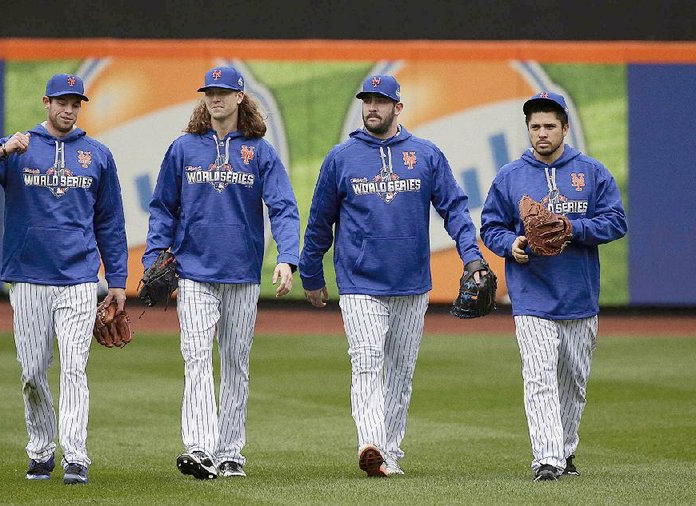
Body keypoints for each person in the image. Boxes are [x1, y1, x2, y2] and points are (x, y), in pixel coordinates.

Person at [299, 75, 488, 477]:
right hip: (359, 282)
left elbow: (455, 209)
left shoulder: (425, 155)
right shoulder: (342, 157)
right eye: (367, 101)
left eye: (381, 101)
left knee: (400, 373)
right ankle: (371, 444)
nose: (372, 107)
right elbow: (320, 222)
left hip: (411, 282)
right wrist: (312, 273)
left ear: (397, 107)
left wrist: (471, 258)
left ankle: (390, 452)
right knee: (366, 361)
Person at [0, 73, 129, 485]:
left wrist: (117, 280)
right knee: (32, 371)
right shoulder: (19, 149)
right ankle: (42, 450)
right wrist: (0, 149)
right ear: (46, 102)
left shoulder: (97, 155)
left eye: (76, 102)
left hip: (80, 278)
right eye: (62, 101)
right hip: (28, 277)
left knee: (74, 369)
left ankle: (76, 457)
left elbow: (111, 223)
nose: (69, 108)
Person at [143, 65, 300, 480]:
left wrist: (287, 256)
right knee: (196, 358)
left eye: (223, 91)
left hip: (241, 275)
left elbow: (283, 206)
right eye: (210, 91)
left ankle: (231, 452)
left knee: (234, 363)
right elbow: (162, 207)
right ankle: (199, 447)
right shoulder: (183, 149)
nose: (215, 98)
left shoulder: (259, 151)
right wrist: (153, 257)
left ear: (240, 97)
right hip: (193, 272)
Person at [480, 91, 627, 481]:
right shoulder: (511, 176)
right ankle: (547, 459)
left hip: (579, 296)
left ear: (565, 127)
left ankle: (564, 451)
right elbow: (491, 226)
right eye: (534, 127)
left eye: (549, 126)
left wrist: (573, 228)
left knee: (573, 384)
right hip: (532, 296)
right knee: (539, 377)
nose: (541, 133)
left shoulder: (592, 172)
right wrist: (509, 244)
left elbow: (616, 220)